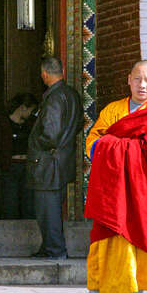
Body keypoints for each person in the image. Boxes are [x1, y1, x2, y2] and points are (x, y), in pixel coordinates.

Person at [63, 60, 147, 293]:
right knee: (103, 242)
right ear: (128, 80)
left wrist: (116, 144)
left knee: (138, 241)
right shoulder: (113, 111)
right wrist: (121, 147)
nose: (143, 85)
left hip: (141, 194)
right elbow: (94, 141)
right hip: (112, 192)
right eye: (138, 79)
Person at [27, 56, 83, 259]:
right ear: (63, 71)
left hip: (48, 163)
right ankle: (49, 247)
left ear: (44, 74)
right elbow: (77, 126)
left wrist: (36, 144)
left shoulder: (54, 97)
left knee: (47, 211)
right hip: (63, 160)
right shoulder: (72, 95)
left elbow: (50, 134)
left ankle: (55, 250)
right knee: (50, 208)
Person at [0, 93, 38, 219]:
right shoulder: (3, 123)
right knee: (10, 202)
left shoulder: (31, 124)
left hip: (27, 166)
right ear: (22, 108)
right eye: (30, 110)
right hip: (10, 167)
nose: (31, 114)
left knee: (28, 203)